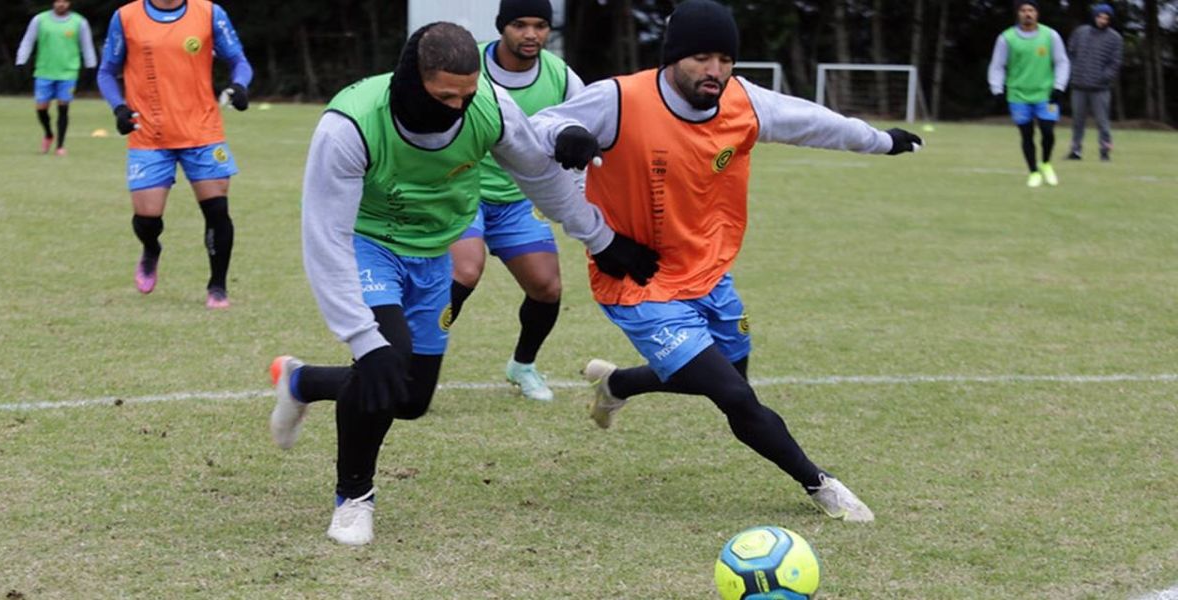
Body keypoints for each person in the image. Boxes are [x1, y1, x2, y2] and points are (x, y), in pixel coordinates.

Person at [530, 0, 922, 523]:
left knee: (716, 375)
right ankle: (820, 484)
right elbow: (533, 129)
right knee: (734, 394)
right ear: (672, 58)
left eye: (724, 59)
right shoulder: (619, 99)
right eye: (700, 58)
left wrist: (882, 141)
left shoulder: (744, 102)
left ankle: (618, 384)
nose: (714, 71)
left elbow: (816, 122)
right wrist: (564, 135)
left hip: (710, 274)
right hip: (637, 279)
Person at [267, 22, 658, 546]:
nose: (457, 107)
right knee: (385, 355)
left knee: (409, 398)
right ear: (412, 80)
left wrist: (600, 237)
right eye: (444, 95)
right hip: (369, 246)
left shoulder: (487, 106)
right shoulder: (351, 124)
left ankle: (303, 381)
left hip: (435, 252)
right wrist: (362, 336)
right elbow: (325, 236)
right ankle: (353, 498)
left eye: (466, 95)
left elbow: (540, 174)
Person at [448, 0, 588, 402]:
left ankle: (522, 365)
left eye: (540, 25)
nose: (531, 35)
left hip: (519, 198)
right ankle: (411, 359)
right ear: (501, 27)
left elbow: (584, 121)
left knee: (546, 286)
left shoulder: (560, 76)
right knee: (466, 271)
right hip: (463, 189)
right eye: (520, 25)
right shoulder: (465, 60)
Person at [96, 0, 253, 308]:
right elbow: (106, 72)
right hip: (148, 133)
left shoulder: (209, 13)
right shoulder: (126, 17)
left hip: (202, 131)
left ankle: (217, 287)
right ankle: (151, 248)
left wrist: (239, 86)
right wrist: (119, 108)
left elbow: (239, 60)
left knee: (217, 211)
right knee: (147, 218)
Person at [987, 0, 1070, 188]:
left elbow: (1062, 62)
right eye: (1023, 10)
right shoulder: (1006, 38)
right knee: (1027, 134)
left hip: (1046, 94)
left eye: (1031, 10)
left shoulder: (1050, 35)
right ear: (1018, 14)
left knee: (1048, 131)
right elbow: (997, 65)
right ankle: (1033, 171)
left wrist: (1059, 86)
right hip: (1018, 95)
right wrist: (997, 89)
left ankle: (1046, 163)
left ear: (1037, 13)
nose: (1027, 14)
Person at [15, 0, 98, 156]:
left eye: (65, 1)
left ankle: (60, 145)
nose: (61, 4)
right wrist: (21, 60)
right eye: (59, 1)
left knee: (63, 108)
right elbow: (28, 41)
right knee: (41, 108)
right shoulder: (40, 20)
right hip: (44, 71)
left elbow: (87, 45)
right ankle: (48, 134)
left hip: (68, 72)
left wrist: (91, 65)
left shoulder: (79, 22)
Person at [1066, 3, 1122, 162]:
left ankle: (1105, 151)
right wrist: (1073, 72)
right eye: (1100, 17)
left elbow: (1115, 63)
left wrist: (1104, 77)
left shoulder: (1115, 38)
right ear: (1094, 16)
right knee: (1077, 121)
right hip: (1079, 85)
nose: (1103, 20)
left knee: (1102, 122)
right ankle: (1075, 150)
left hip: (1100, 88)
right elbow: (1070, 53)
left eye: (1106, 18)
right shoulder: (1080, 33)